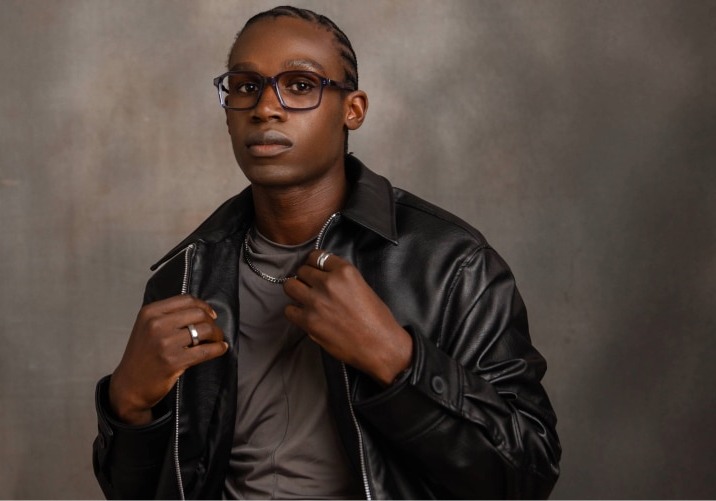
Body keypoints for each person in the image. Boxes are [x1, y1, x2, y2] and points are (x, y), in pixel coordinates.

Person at [92, 6, 561, 499]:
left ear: (352, 109)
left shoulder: (451, 265)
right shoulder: (185, 276)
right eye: (246, 86)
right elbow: (138, 492)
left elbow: (527, 474)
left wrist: (397, 360)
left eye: (299, 85)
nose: (265, 108)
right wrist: (127, 404)